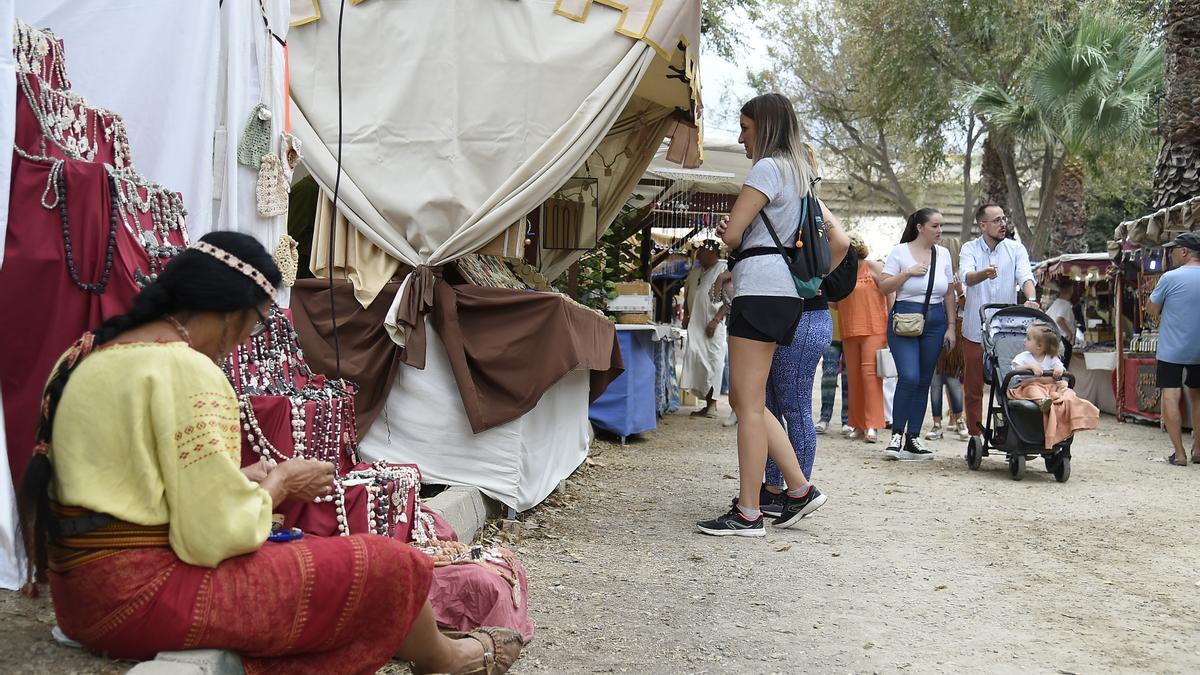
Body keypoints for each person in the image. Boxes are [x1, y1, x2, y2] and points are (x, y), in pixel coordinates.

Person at [18, 232, 522, 675]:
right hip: (142, 602)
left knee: (339, 561)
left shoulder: (84, 356)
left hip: (79, 601)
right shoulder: (187, 370)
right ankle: (452, 661)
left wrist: (247, 485)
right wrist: (280, 484)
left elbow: (141, 492)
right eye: (256, 325)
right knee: (394, 564)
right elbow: (210, 539)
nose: (243, 343)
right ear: (232, 310)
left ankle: (435, 653)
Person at [696, 93, 849, 537]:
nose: (741, 137)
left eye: (745, 128)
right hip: (785, 295)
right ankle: (797, 488)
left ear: (762, 126)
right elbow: (838, 241)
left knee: (747, 403)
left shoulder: (767, 169)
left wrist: (729, 231)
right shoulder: (801, 173)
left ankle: (749, 511)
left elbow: (733, 233)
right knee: (753, 403)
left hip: (759, 289)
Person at [878, 208, 957, 460]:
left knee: (924, 379)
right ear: (920, 227)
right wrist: (907, 273)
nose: (939, 231)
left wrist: (952, 326)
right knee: (909, 376)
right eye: (935, 226)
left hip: (935, 320)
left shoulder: (943, 254)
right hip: (905, 318)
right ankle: (896, 435)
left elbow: (949, 293)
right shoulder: (900, 252)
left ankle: (913, 437)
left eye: (941, 226)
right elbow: (883, 286)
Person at [960, 204, 1038, 448]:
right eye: (996, 220)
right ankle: (975, 435)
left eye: (1004, 218)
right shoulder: (969, 249)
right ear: (983, 225)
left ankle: (1009, 431)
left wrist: (1031, 298)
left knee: (1010, 381)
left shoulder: (1015, 249)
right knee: (973, 388)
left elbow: (1026, 276)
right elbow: (967, 276)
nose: (1003, 223)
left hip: (1006, 332)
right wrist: (984, 273)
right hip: (975, 329)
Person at [759, 287, 834, 516]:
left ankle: (800, 492)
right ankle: (774, 489)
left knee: (796, 408)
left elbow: (841, 257)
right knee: (769, 407)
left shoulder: (826, 250)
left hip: (805, 316)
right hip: (780, 317)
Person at [1147, 231, 1200, 466]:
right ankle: (1198, 449)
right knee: (1198, 396)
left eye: (1173, 250)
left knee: (1171, 393)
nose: (1170, 254)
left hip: (1172, 349)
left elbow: (1151, 309)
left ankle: (1179, 454)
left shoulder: (1170, 278)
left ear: (1184, 252)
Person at [1006, 323, 1099, 450]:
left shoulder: (1051, 358)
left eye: (1028, 338)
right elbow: (1017, 368)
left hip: (1050, 386)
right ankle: (1042, 402)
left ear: (1039, 346)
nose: (1024, 340)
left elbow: (1060, 366)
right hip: (1030, 385)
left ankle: (1079, 408)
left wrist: (1058, 369)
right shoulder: (1023, 357)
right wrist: (1031, 367)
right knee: (1033, 390)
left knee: (1067, 392)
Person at [837, 234, 888, 443]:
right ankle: (857, 423)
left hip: (874, 327)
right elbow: (834, 300)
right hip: (849, 328)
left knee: (870, 377)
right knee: (854, 378)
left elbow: (888, 291)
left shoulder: (873, 266)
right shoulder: (840, 271)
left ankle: (872, 424)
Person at [681, 238, 729, 418]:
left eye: (701, 251)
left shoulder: (723, 269)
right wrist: (686, 314)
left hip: (712, 326)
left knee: (714, 362)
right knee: (698, 362)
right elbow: (687, 294)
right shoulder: (695, 272)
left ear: (712, 253)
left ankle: (713, 404)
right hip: (695, 325)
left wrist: (716, 320)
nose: (698, 254)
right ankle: (706, 402)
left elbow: (729, 299)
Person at [815, 308, 850, 435]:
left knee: (849, 379)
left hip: (850, 331)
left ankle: (847, 420)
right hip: (830, 332)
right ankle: (824, 418)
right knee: (828, 377)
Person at [1045, 278, 1080, 346]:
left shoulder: (1055, 303)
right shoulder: (1065, 304)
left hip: (1056, 339)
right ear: (1070, 291)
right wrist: (1069, 333)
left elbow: (1047, 317)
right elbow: (1059, 320)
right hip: (1064, 339)